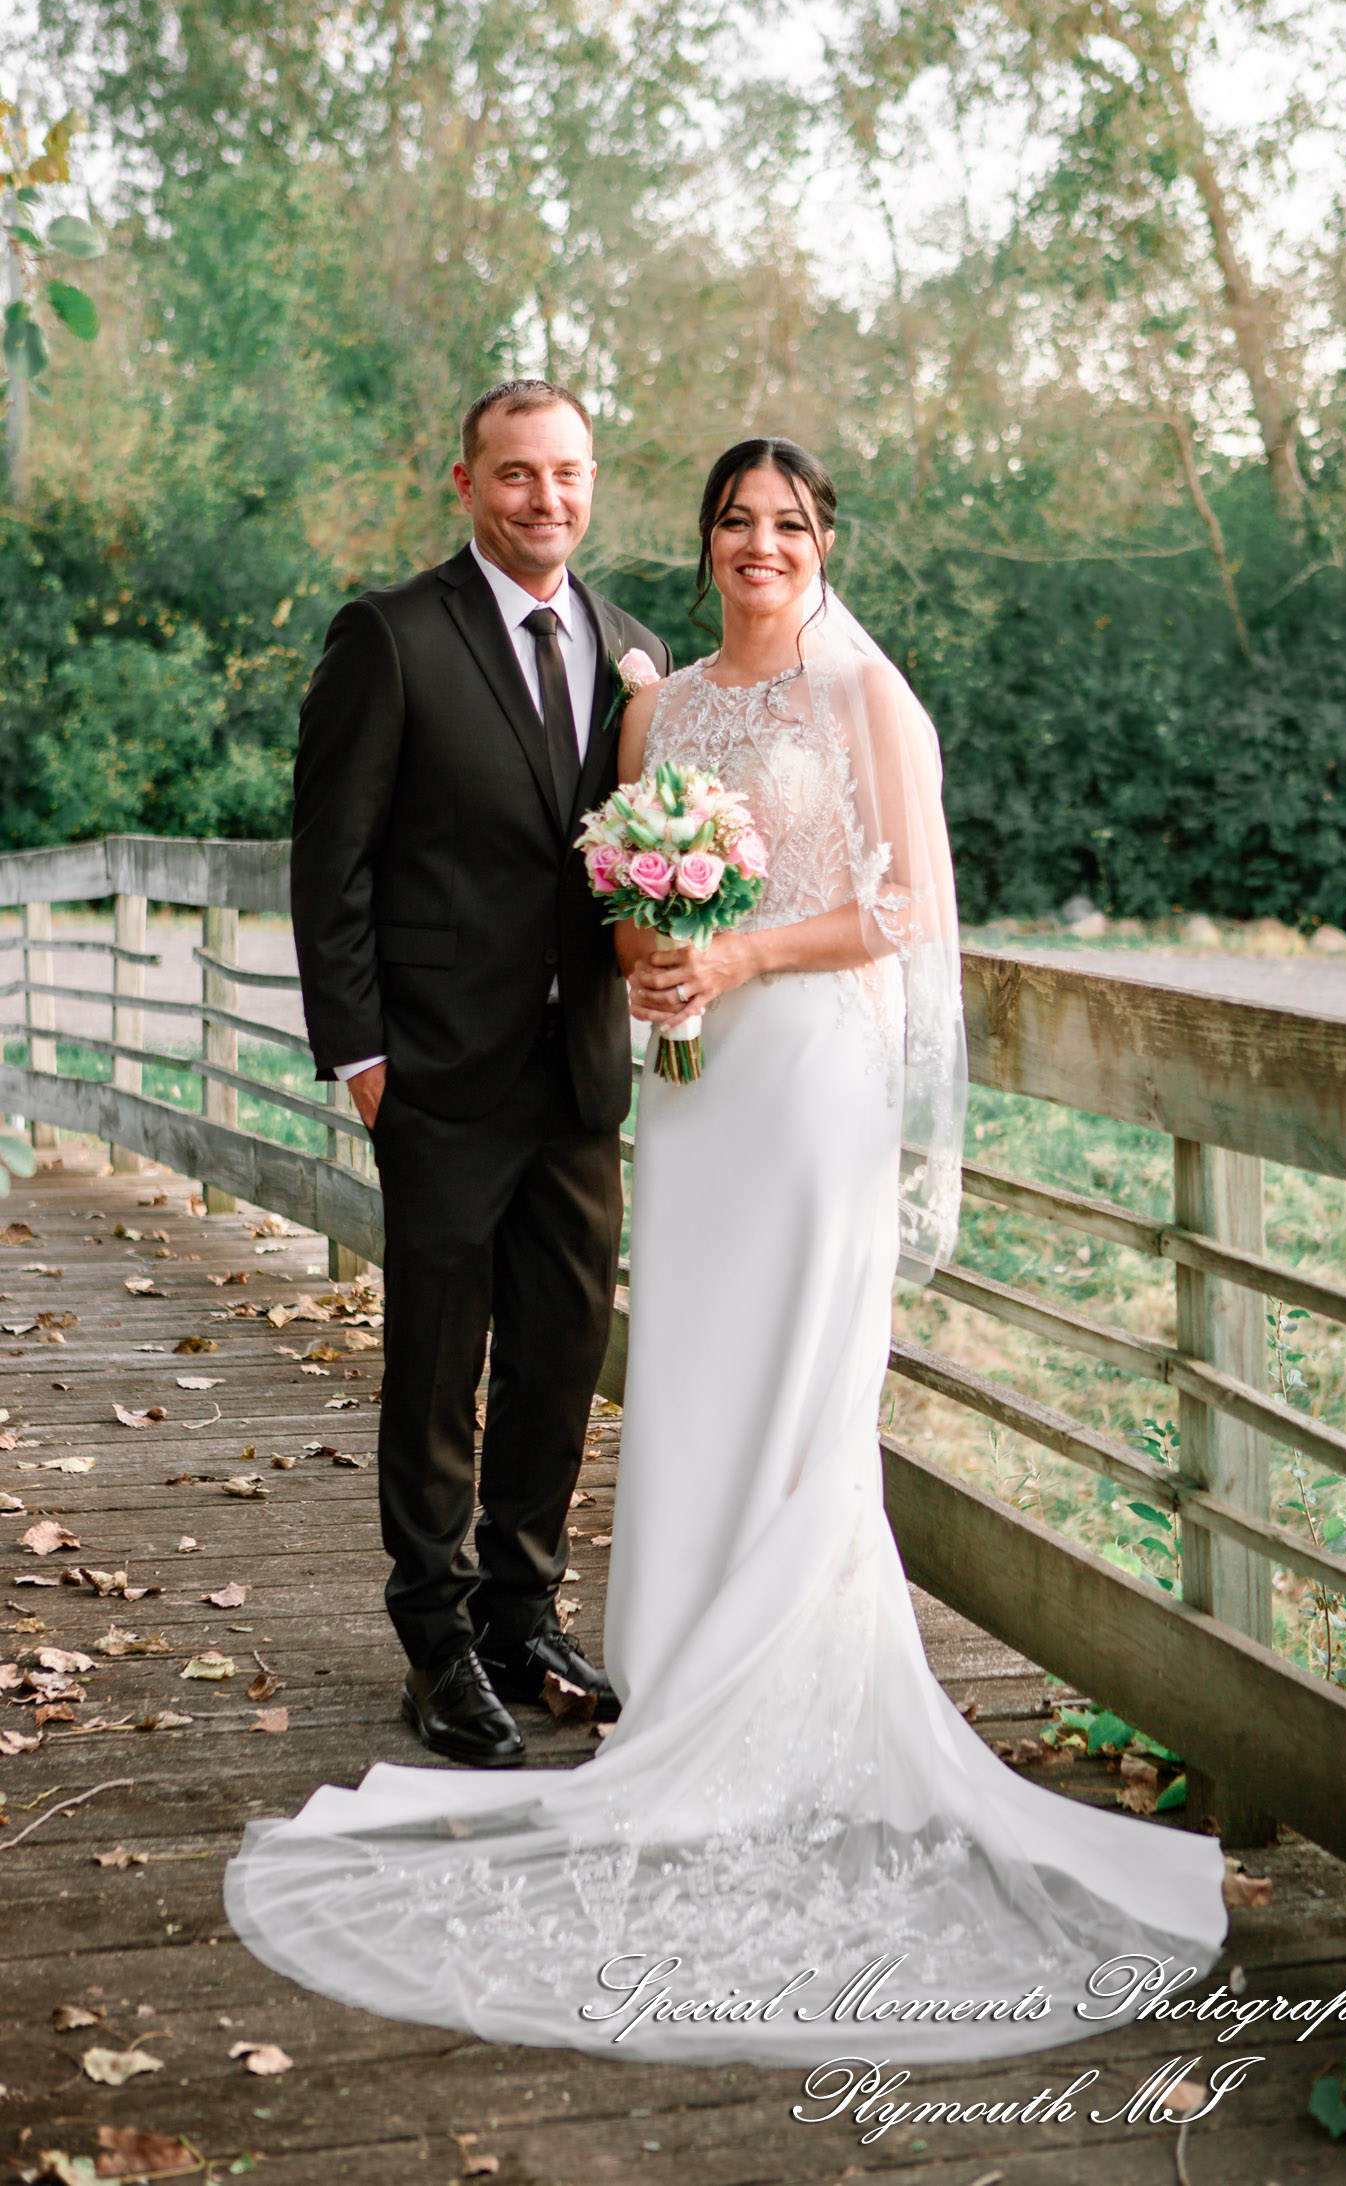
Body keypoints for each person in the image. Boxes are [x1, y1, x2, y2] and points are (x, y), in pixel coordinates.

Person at [227, 437, 1226, 2067]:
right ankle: (607, 1660)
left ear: (824, 538)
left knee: (783, 1381)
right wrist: (655, 953)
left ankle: (709, 1670)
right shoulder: (650, 697)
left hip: (808, 1078)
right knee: (674, 1365)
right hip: (683, 1090)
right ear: (698, 541)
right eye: (736, 522)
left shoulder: (867, 699)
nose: (759, 543)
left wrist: (740, 948)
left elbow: (900, 906)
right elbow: (601, 892)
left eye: (788, 522)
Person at [288, 378, 670, 1767]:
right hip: (438, 1073)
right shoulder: (389, 637)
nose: (545, 498)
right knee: (440, 1360)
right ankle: (437, 1638)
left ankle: (521, 1610)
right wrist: (364, 1054)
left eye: (566, 473)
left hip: (581, 1073)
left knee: (563, 1352)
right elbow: (329, 860)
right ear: (466, 484)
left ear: (591, 480)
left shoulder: (637, 651)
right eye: (515, 475)